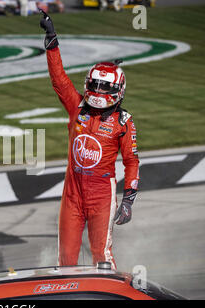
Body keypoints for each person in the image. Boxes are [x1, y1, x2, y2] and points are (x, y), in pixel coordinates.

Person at [40, 10, 139, 269]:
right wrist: (52, 39)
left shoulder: (123, 122)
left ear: (118, 91)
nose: (97, 92)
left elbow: (131, 161)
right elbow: (59, 79)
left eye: (104, 87)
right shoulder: (77, 107)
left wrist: (128, 199)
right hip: (71, 195)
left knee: (102, 258)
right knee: (66, 261)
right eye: (94, 85)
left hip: (102, 197)